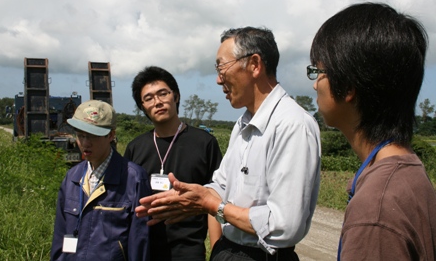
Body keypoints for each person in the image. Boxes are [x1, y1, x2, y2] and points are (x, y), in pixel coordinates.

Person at [136, 27, 321, 261]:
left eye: (221, 67)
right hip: (229, 248)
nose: (218, 79)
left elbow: (284, 224)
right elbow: (222, 185)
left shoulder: (292, 125)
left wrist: (214, 206)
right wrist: (191, 196)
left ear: (254, 64)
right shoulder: (242, 125)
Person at [307, 2, 436, 260]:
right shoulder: (409, 172)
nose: (314, 86)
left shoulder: (375, 211)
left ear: (349, 86)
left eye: (318, 72)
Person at [124, 66, 223, 261]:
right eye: (149, 98)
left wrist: (217, 250)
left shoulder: (204, 143)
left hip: (188, 250)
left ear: (175, 96)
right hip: (143, 248)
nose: (158, 102)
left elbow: (215, 199)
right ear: (142, 106)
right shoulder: (135, 147)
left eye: (163, 93)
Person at [50, 100, 152, 261]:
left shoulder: (134, 179)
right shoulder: (72, 177)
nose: (85, 143)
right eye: (80, 135)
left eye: (92, 136)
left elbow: (139, 242)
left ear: (111, 135)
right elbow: (59, 237)